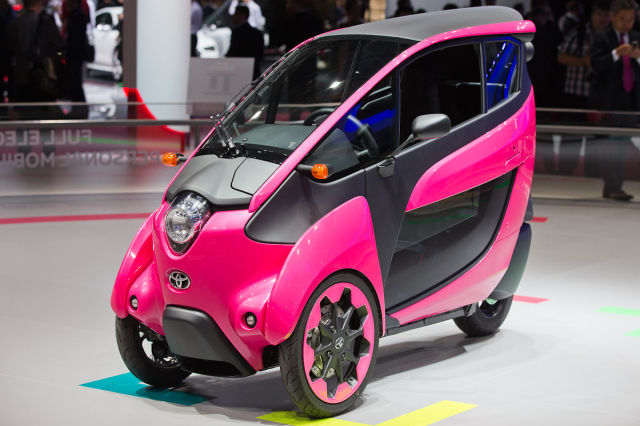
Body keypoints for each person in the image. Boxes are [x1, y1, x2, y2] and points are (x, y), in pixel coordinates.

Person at [589, 0, 640, 201]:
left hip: (630, 101)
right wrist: (616, 54)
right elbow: (595, 64)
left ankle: (614, 186)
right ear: (613, 17)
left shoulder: (637, 37)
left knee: (622, 145)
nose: (627, 23)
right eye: (622, 19)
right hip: (606, 102)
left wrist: (637, 57)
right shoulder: (602, 37)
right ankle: (612, 186)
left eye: (631, 19)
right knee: (608, 146)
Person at [556, 1, 610, 175]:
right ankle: (565, 172)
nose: (602, 19)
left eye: (606, 15)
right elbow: (561, 56)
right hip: (575, 92)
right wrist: (583, 62)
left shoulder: (612, 36)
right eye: (599, 15)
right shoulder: (579, 32)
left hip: (600, 95)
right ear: (592, 15)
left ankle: (593, 171)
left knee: (597, 137)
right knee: (572, 135)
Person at [6, 0, 66, 119]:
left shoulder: (15, 24)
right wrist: (54, 57)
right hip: (42, 79)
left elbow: (9, 52)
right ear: (39, 3)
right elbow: (60, 48)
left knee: (24, 120)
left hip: (20, 79)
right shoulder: (45, 22)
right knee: (43, 120)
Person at [64, 0, 89, 118]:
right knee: (75, 82)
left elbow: (75, 39)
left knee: (76, 82)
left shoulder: (77, 16)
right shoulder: (76, 15)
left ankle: (80, 110)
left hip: (75, 55)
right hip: (75, 54)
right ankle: (79, 109)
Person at [226, 5, 263, 80]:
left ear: (242, 15)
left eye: (236, 14)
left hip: (239, 70)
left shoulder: (236, 32)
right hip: (254, 71)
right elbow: (260, 54)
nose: (233, 16)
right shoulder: (257, 33)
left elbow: (233, 51)